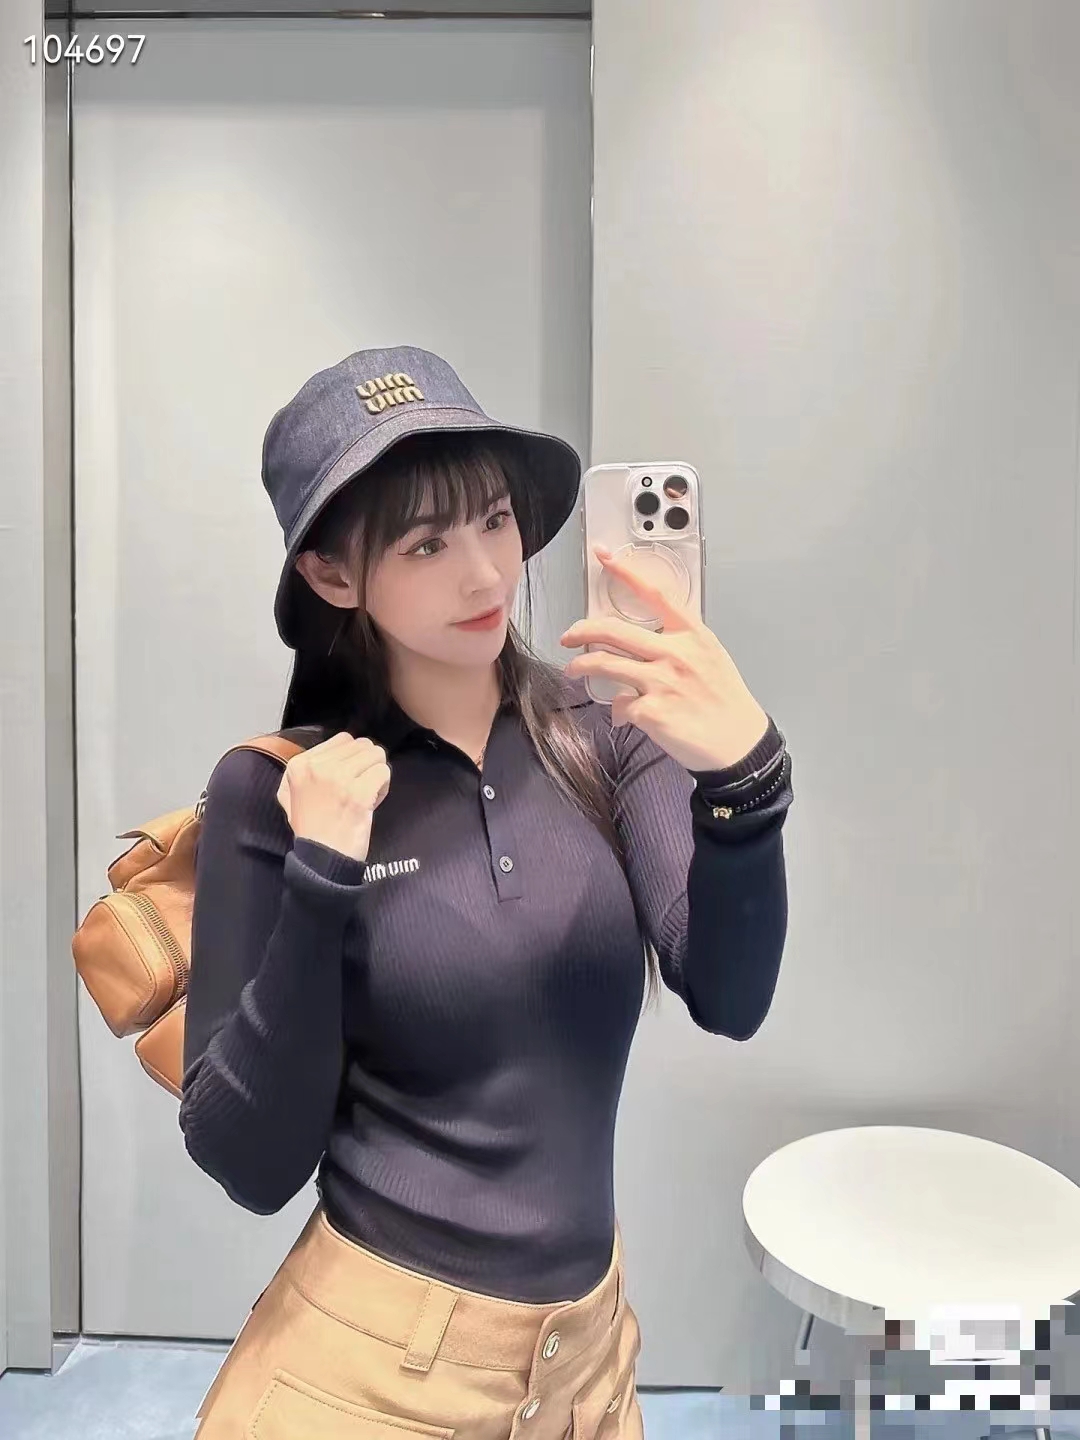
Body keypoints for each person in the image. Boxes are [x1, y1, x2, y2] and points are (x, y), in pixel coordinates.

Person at [179, 345, 794, 1440]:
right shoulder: (279, 790)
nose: (485, 576)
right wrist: (320, 877)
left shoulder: (609, 733)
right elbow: (251, 1162)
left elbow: (730, 997)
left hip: (585, 1365)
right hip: (368, 1375)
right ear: (332, 575)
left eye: (496, 521)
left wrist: (745, 785)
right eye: (426, 543)